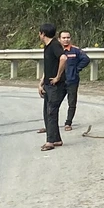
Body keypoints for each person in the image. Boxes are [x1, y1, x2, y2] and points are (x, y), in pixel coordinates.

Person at [37, 23, 68, 151]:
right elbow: (49, 66)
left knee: (51, 112)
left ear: (42, 33)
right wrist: (41, 82)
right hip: (49, 85)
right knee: (47, 112)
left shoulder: (54, 45)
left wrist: (58, 77)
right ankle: (56, 139)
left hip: (57, 86)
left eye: (39, 33)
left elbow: (63, 58)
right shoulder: (47, 46)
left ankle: (50, 141)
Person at [59, 31, 90, 131]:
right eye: (63, 38)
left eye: (68, 37)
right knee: (54, 103)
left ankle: (68, 123)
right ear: (59, 39)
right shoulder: (57, 51)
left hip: (72, 80)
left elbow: (86, 59)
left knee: (72, 103)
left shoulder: (75, 50)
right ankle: (51, 125)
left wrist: (77, 69)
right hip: (59, 81)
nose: (66, 39)